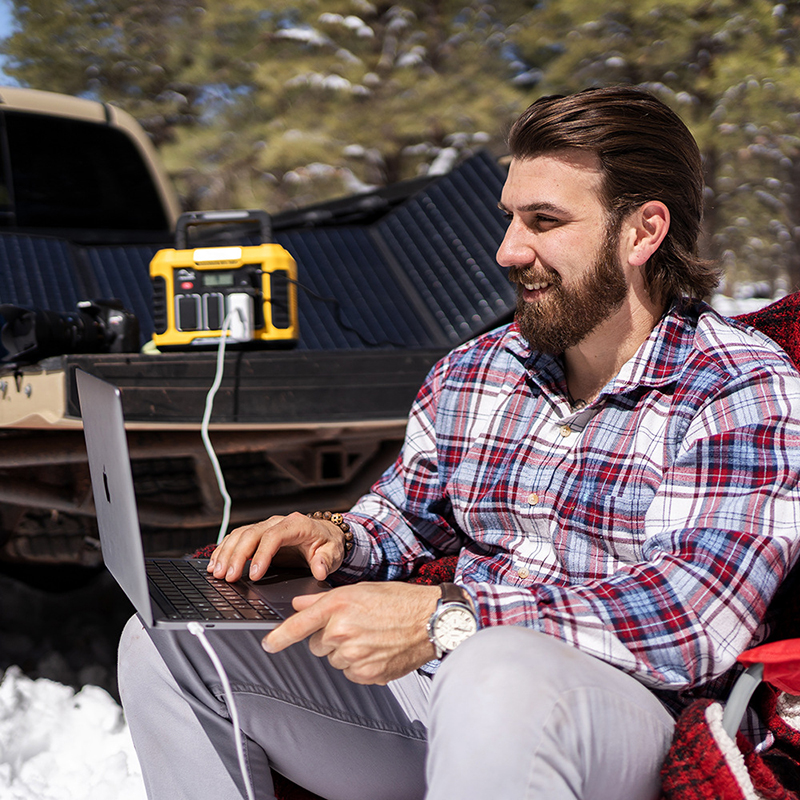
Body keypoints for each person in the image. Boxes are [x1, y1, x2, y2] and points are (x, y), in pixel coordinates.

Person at [119, 86, 800, 800]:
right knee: (168, 647)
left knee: (497, 671)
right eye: (510, 218)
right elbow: (406, 517)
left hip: (623, 715)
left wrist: (448, 617)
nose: (509, 250)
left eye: (544, 221)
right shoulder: (477, 372)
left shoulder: (738, 387)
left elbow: (692, 619)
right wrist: (333, 537)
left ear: (642, 233)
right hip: (445, 687)